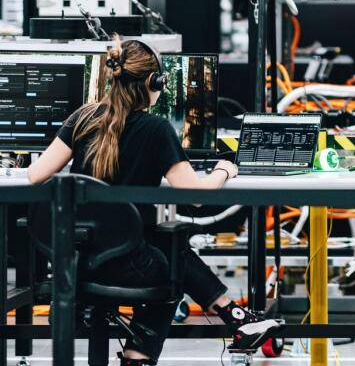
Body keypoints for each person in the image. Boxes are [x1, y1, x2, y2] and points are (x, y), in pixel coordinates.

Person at [27, 38, 277, 366]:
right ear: (153, 82)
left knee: (164, 243)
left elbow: (35, 175)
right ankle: (146, 353)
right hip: (125, 265)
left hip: (74, 260)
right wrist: (223, 170)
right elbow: (196, 196)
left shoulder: (83, 118)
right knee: (173, 259)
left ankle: (235, 317)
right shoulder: (155, 129)